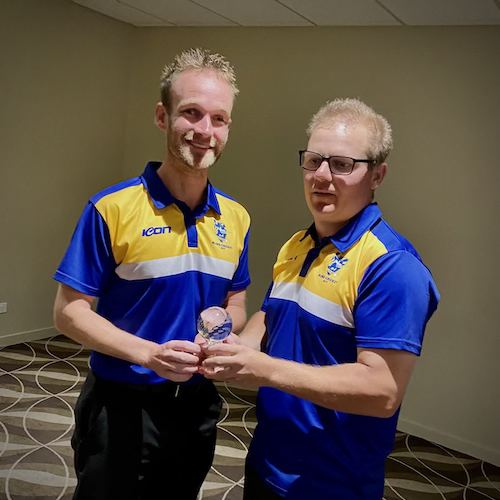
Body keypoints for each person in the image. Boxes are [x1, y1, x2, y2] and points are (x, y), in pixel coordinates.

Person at [200, 98, 439, 499]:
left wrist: (263, 369)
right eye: (313, 161)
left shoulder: (392, 267)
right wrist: (237, 348)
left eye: (342, 164)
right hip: (267, 461)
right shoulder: (297, 244)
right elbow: (271, 313)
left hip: (331, 483)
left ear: (377, 174)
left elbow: (381, 391)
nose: (321, 176)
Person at [53, 48, 250, 500]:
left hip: (197, 404)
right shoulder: (111, 207)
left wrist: (223, 331)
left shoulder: (237, 218)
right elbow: (68, 313)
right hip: (122, 401)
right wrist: (149, 354)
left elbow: (235, 303)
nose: (205, 131)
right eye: (192, 113)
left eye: (219, 119)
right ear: (163, 117)